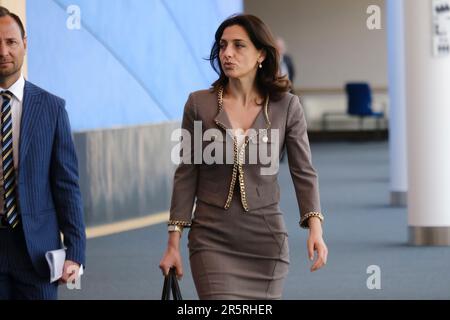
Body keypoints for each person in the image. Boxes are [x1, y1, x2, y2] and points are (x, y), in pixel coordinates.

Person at [160, 14, 327, 300]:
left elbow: (303, 172)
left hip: (266, 240)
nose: (227, 53)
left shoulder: (287, 106)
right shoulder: (198, 104)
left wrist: (315, 228)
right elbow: (186, 174)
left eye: (239, 46)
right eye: (223, 45)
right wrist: (173, 243)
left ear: (261, 53)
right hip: (211, 239)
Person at [0, 6, 86, 300]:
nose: (3, 51)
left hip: (36, 252)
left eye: (11, 42)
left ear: (25, 43)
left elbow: (66, 185)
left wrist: (74, 250)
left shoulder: (51, 108)